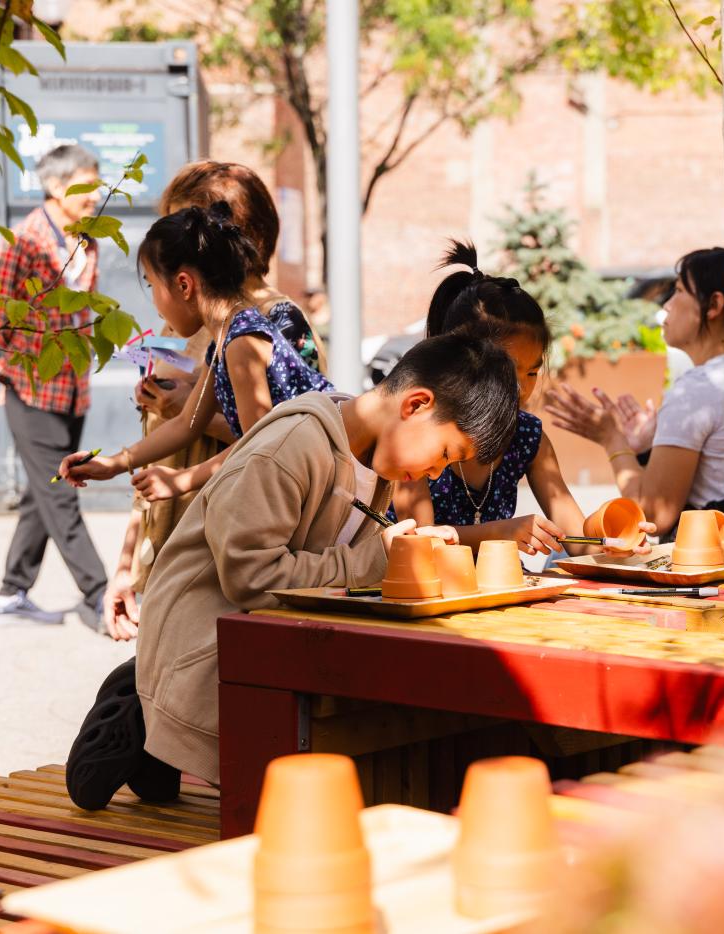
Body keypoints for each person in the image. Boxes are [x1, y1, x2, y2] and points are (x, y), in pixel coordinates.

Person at [61, 328, 522, 808]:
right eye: (446, 454)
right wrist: (378, 560)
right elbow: (252, 579)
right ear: (415, 405)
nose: (436, 474)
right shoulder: (291, 447)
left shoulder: (370, 462)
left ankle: (156, 736)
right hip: (205, 641)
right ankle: (144, 703)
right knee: (286, 799)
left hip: (265, 641)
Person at [102, 161, 324, 641]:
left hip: (235, 554)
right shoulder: (200, 324)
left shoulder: (266, 323)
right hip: (177, 546)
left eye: (187, 227)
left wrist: (189, 421)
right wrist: (127, 562)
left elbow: (277, 440)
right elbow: (168, 439)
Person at [546, 248, 724, 544]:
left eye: (679, 290)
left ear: (714, 305)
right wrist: (644, 450)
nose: (666, 305)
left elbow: (651, 517)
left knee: (564, 552)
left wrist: (611, 438)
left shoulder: (698, 389)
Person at [57, 203, 334, 500]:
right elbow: (186, 423)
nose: (153, 302)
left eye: (152, 284)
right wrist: (113, 464)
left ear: (184, 284)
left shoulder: (242, 342)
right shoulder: (224, 340)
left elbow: (260, 446)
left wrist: (184, 479)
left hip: (319, 492)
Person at [392, 242, 653, 557]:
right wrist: (499, 532)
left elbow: (574, 540)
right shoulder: (422, 435)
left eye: (531, 373)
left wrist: (610, 538)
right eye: (507, 371)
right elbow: (418, 542)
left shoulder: (528, 438)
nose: (519, 388)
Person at [0, 144, 108, 627]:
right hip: (31, 390)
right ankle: (99, 594)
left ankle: (10, 595)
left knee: (42, 492)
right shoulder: (26, 238)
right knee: (61, 493)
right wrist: (15, 366)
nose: (95, 194)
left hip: (73, 391)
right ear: (57, 186)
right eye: (87, 183)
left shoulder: (87, 242)